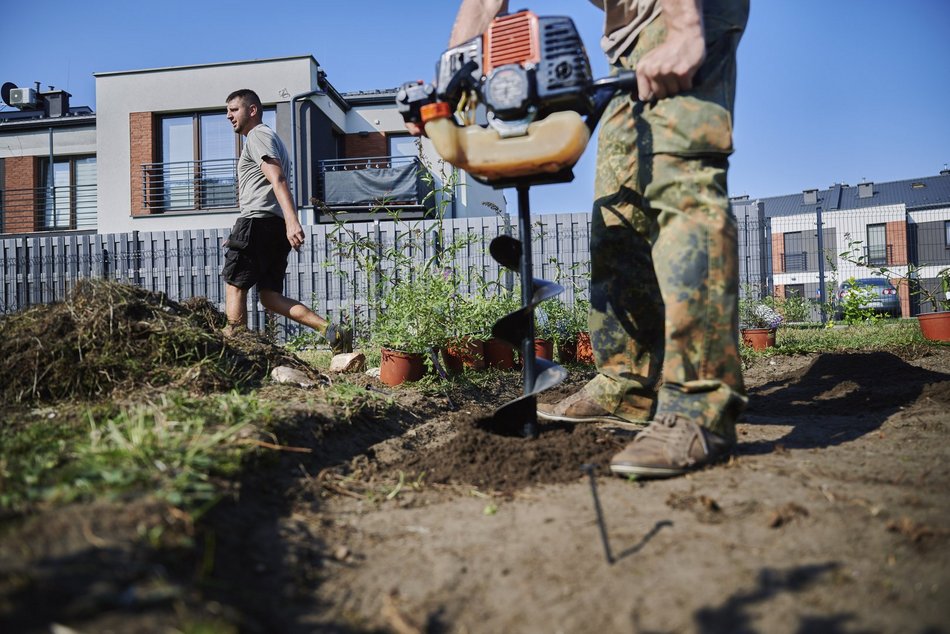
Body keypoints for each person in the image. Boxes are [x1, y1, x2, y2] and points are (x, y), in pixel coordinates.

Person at [433, 0, 748, 478]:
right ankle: (625, 385)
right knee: (617, 215)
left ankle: (699, 408)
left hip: (685, 13)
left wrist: (685, 30)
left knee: (679, 190)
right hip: (624, 44)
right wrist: (449, 81)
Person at [222, 89, 349, 351]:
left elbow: (277, 178)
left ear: (252, 110)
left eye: (234, 109)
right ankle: (330, 330)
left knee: (235, 286)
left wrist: (293, 221)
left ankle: (238, 350)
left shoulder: (258, 135)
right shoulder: (272, 138)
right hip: (271, 227)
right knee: (269, 297)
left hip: (258, 222)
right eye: (228, 111)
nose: (228, 116)